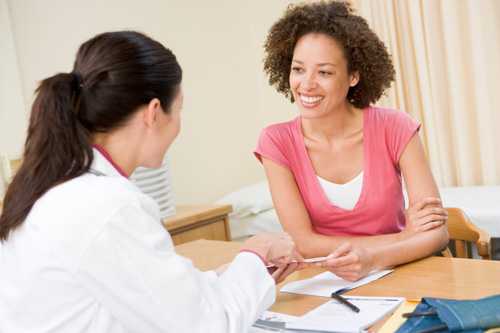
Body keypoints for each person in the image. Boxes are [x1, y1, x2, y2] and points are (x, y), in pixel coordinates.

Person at [0, 31, 301, 333]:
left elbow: (161, 298)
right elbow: (206, 325)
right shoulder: (107, 206)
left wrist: (245, 270)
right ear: (154, 112)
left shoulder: (54, 187)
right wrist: (254, 254)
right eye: (179, 109)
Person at [254, 1, 449, 282]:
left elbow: (437, 233)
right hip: (326, 283)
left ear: (354, 76)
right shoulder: (276, 141)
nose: (306, 84)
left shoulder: (395, 127)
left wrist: (374, 259)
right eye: (298, 69)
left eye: (324, 72)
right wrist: (404, 237)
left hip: (404, 271)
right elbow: (305, 244)